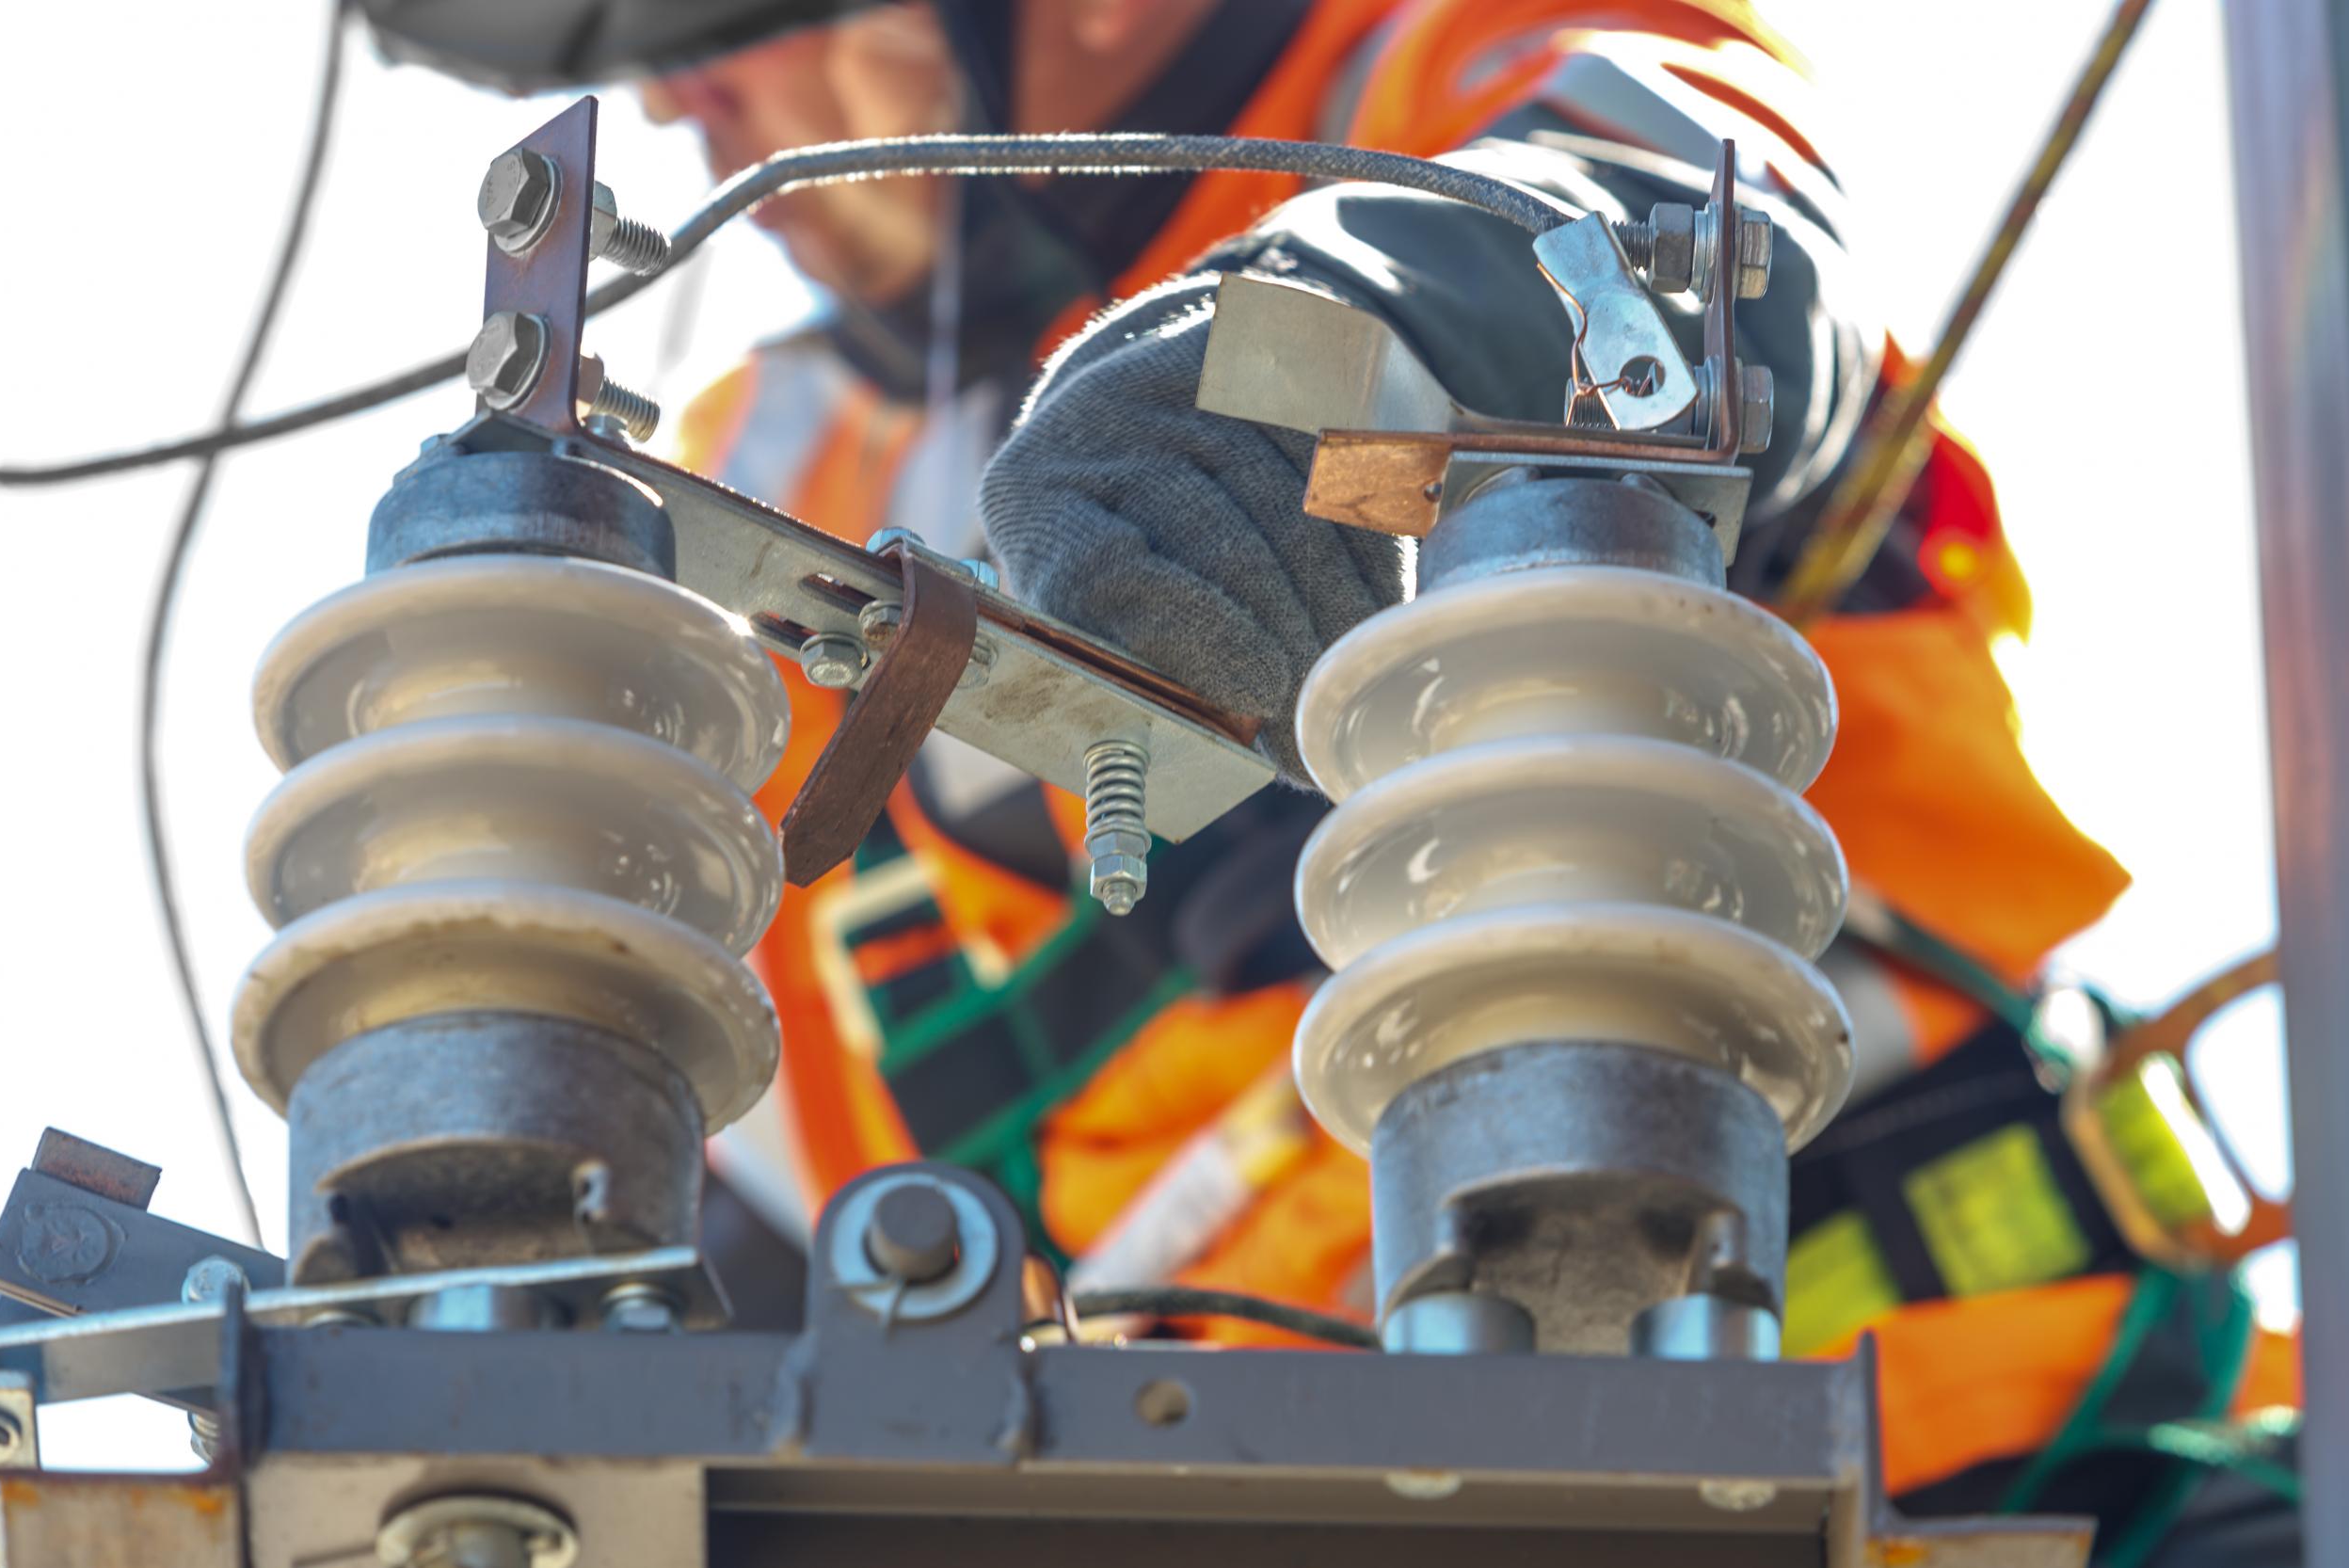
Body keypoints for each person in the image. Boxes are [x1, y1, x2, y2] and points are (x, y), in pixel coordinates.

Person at [363, 2, 2299, 1555]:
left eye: (747, 11)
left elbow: (1684, 262)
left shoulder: (1465, 71)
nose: (684, 90)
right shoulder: (756, 485)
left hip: (1983, 1453)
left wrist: (1334, 355)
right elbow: (753, 1217)